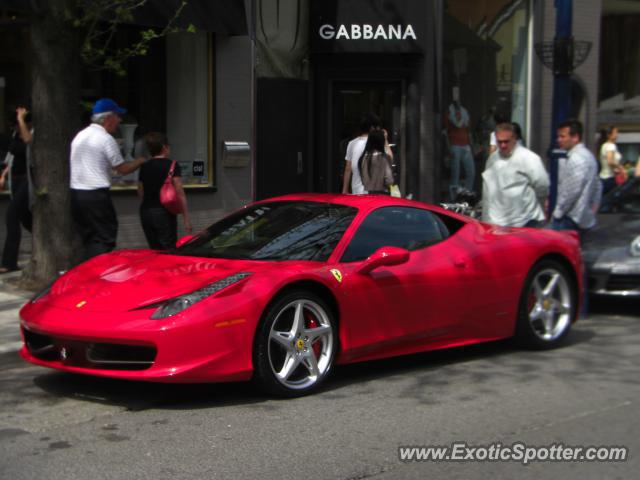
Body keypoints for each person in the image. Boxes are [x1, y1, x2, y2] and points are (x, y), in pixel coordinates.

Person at [70, 98, 147, 260]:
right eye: (117, 116)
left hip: (77, 194)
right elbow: (123, 169)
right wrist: (140, 160)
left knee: (89, 237)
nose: (119, 121)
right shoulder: (105, 139)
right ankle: (95, 274)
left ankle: (84, 271)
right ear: (107, 119)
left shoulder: (80, 135)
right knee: (105, 237)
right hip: (96, 195)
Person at [482, 123, 549, 227]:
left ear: (514, 139)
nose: (503, 145)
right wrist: (486, 221)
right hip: (497, 223)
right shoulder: (492, 160)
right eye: (499, 142)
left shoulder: (529, 158)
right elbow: (487, 192)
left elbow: (542, 185)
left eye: (506, 141)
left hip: (525, 222)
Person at [138, 132, 192, 249]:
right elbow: (179, 192)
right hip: (164, 213)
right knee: (168, 248)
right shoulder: (172, 165)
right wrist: (186, 218)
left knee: (154, 248)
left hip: (146, 212)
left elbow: (140, 192)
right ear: (164, 147)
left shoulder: (144, 166)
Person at [550, 119, 602, 241]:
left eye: (563, 136)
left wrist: (558, 212)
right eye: (558, 136)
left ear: (575, 137)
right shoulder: (589, 156)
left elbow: (571, 191)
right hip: (583, 216)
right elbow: (598, 185)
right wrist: (593, 208)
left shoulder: (576, 158)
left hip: (570, 218)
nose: (559, 140)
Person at [0, 106, 33, 273]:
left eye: (16, 124)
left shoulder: (31, 133)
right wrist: (4, 175)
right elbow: (12, 156)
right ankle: (46, 242)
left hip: (28, 180)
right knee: (27, 219)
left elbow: (28, 142)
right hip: (16, 180)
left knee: (11, 215)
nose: (14, 128)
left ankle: (8, 262)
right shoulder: (15, 135)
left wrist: (21, 120)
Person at [342, 113, 392, 195]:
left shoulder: (352, 143)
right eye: (378, 127)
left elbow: (348, 168)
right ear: (372, 128)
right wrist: (385, 140)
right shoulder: (377, 142)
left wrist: (345, 190)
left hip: (356, 191)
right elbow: (390, 159)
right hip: (374, 192)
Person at [444, 88, 475, 199]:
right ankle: (454, 197)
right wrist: (449, 148)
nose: (457, 103)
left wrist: (471, 145)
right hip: (455, 145)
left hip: (465, 145)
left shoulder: (465, 113)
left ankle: (467, 194)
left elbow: (468, 130)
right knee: (455, 173)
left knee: (471, 171)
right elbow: (446, 132)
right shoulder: (449, 113)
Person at [358, 129, 394, 195]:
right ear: (381, 141)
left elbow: (363, 180)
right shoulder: (384, 158)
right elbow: (389, 180)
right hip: (383, 194)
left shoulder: (363, 158)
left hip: (368, 194)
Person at [597, 125, 624, 194]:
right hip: (610, 178)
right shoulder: (611, 146)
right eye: (615, 133)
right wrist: (620, 168)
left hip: (603, 177)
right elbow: (610, 161)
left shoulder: (604, 145)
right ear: (609, 135)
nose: (617, 135)